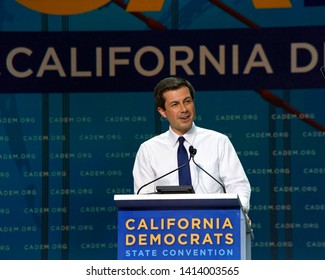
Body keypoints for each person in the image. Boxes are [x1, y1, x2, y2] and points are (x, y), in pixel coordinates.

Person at [132, 77, 251, 213]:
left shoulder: (218, 142)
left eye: (187, 101)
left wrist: (238, 214)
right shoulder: (148, 150)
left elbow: (238, 185)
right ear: (162, 112)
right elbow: (143, 197)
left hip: (214, 226)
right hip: (166, 229)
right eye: (175, 104)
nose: (184, 109)